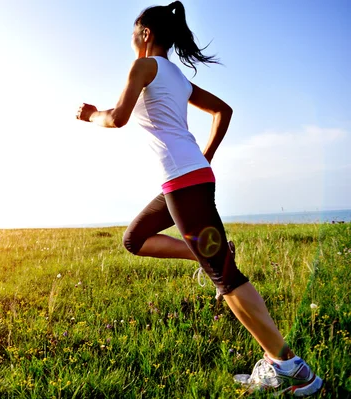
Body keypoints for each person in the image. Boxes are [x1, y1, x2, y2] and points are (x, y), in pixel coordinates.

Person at [75, 2, 323, 396]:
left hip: (185, 183)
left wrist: (90, 115)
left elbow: (118, 118)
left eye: (133, 33)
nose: (132, 40)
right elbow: (223, 110)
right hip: (184, 181)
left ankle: (292, 369)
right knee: (134, 239)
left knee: (225, 278)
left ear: (145, 34)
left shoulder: (143, 67)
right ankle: (207, 257)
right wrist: (203, 157)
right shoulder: (176, 76)